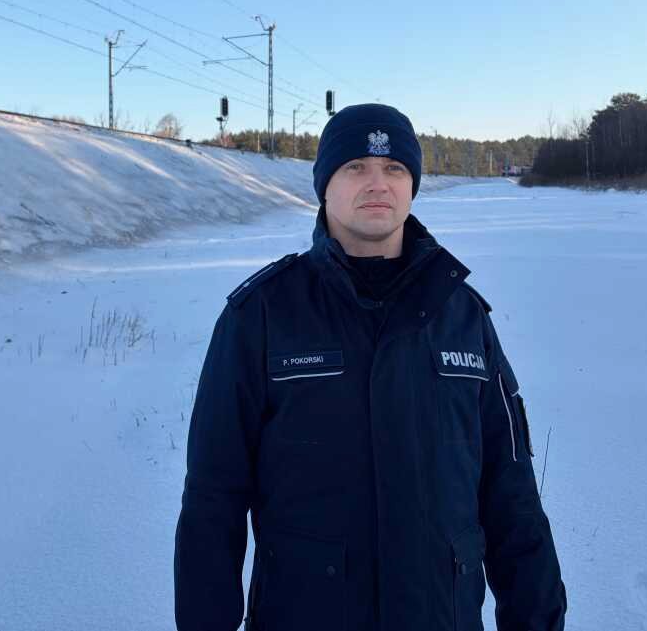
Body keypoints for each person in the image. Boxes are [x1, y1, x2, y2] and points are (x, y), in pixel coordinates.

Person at [173, 103, 567, 631]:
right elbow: (212, 500)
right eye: (355, 167)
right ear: (325, 186)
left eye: (395, 169)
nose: (377, 183)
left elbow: (511, 493)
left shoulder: (463, 316)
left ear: (413, 186)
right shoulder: (263, 314)